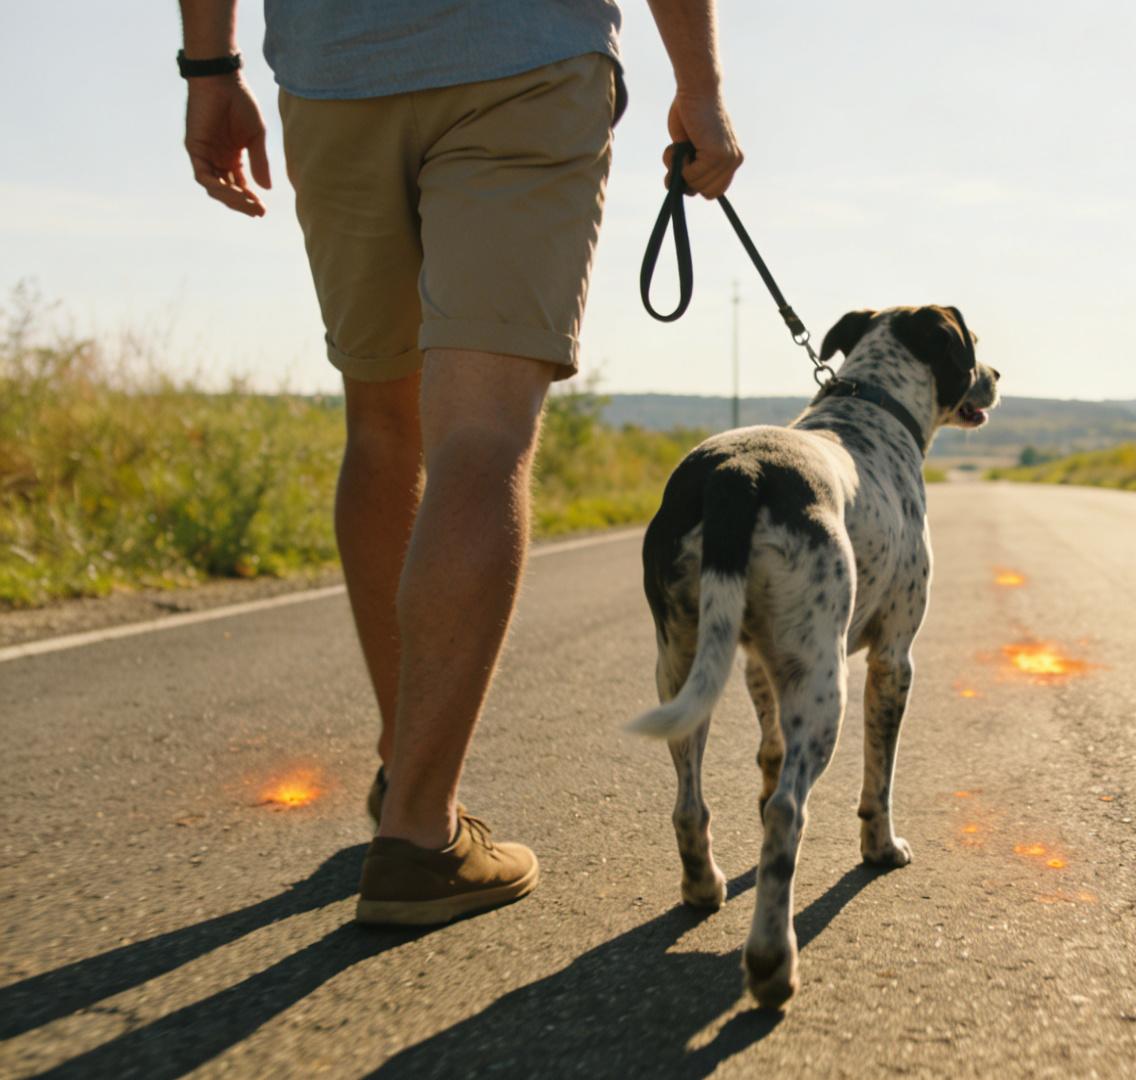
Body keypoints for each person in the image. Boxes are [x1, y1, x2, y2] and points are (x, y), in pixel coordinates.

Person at [176, 0, 743, 925]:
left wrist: (210, 69)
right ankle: (418, 833)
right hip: (525, 57)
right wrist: (703, 86)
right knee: (479, 434)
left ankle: (410, 772)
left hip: (334, 70)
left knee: (382, 425)